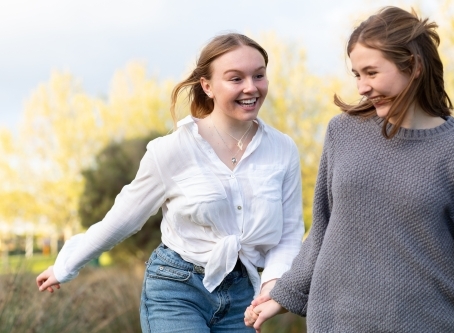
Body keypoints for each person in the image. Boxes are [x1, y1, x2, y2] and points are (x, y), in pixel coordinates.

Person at [244, 6, 454, 333]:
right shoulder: (343, 131)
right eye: (356, 74)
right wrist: (284, 293)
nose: (362, 86)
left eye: (371, 72)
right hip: (336, 323)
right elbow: (322, 227)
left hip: (429, 324)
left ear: (414, 65)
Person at [36, 33, 305, 333]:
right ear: (207, 86)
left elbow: (290, 233)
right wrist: (65, 266)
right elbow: (122, 219)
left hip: (243, 296)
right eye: (235, 78)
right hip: (176, 290)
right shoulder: (172, 149)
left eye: (259, 76)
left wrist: (272, 283)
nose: (251, 87)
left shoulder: (283, 149)